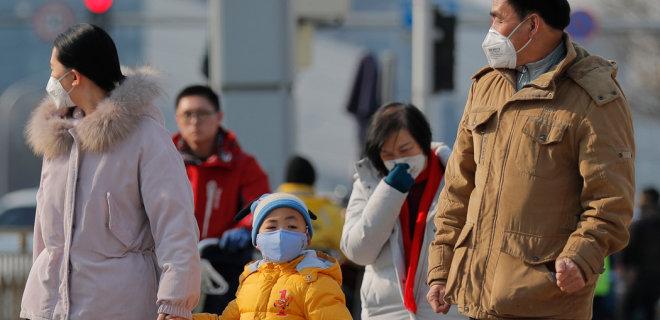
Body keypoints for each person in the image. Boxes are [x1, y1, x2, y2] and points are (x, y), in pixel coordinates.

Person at [426, 1, 635, 319]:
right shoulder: (486, 86)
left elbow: (611, 202)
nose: (491, 29)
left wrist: (579, 258)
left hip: (547, 302)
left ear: (532, 25)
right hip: (478, 300)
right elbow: (458, 188)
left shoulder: (593, 97)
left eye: (498, 19)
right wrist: (441, 269)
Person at [22, 23, 200, 320]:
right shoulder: (60, 139)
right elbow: (45, 238)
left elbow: (175, 224)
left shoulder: (146, 137)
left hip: (120, 307)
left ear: (74, 78)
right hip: (50, 310)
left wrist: (175, 302)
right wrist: (35, 303)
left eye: (54, 72)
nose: (51, 81)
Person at [341, 102, 454, 319]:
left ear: (423, 143)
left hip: (446, 309)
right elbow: (358, 252)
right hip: (386, 312)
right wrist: (389, 193)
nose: (399, 159)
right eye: (388, 154)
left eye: (405, 149)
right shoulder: (368, 182)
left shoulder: (455, 175)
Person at [173, 85, 270, 312]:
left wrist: (245, 229)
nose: (195, 121)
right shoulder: (162, 159)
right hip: (171, 263)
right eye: (187, 114)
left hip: (225, 264)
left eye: (202, 113)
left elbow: (260, 206)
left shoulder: (242, 164)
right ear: (177, 118)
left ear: (219, 117)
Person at [192, 193, 352, 320]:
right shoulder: (251, 280)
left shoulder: (316, 282)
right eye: (272, 226)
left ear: (307, 238)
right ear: (256, 240)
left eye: (292, 226)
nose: (281, 233)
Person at [277, 155, 344, 257]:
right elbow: (347, 248)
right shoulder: (329, 211)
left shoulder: (268, 208)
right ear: (313, 179)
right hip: (320, 269)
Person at [619, 187, 660, 320]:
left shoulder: (639, 226)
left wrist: (625, 270)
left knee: (626, 310)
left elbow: (627, 251)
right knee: (649, 311)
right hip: (654, 278)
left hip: (638, 277)